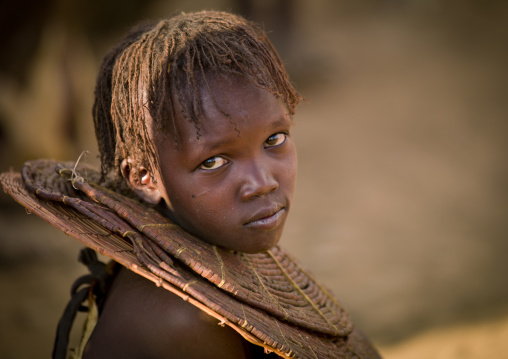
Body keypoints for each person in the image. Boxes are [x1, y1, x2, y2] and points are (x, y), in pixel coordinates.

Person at [1, 10, 380, 359]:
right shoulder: (182, 322)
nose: (262, 183)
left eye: (274, 140)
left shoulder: (214, 247)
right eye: (213, 161)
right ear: (144, 179)